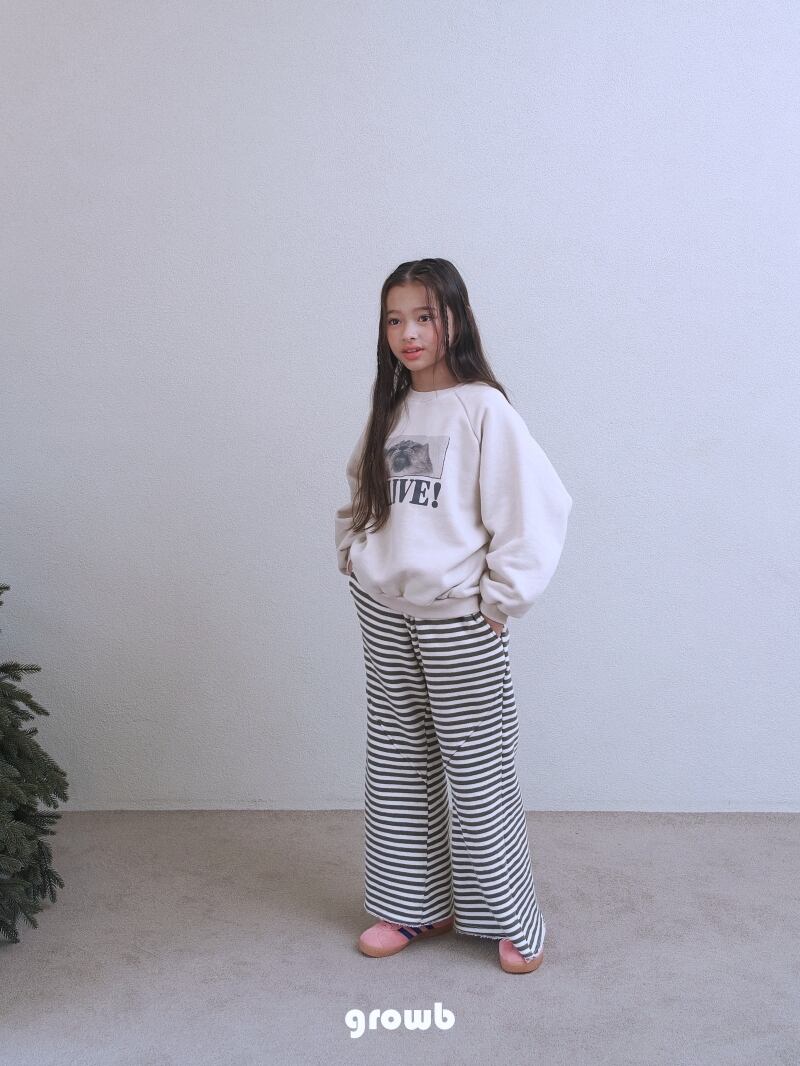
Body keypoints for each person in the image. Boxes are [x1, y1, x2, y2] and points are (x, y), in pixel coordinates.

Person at [334, 258, 573, 975]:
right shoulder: (392, 410)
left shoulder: (483, 409)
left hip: (457, 617)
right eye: (394, 319)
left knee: (477, 765)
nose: (408, 333)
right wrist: (352, 552)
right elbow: (361, 489)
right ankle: (412, 905)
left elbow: (533, 509)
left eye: (424, 317)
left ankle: (511, 916)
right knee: (398, 758)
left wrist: (500, 601)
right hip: (384, 611)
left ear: (456, 321)